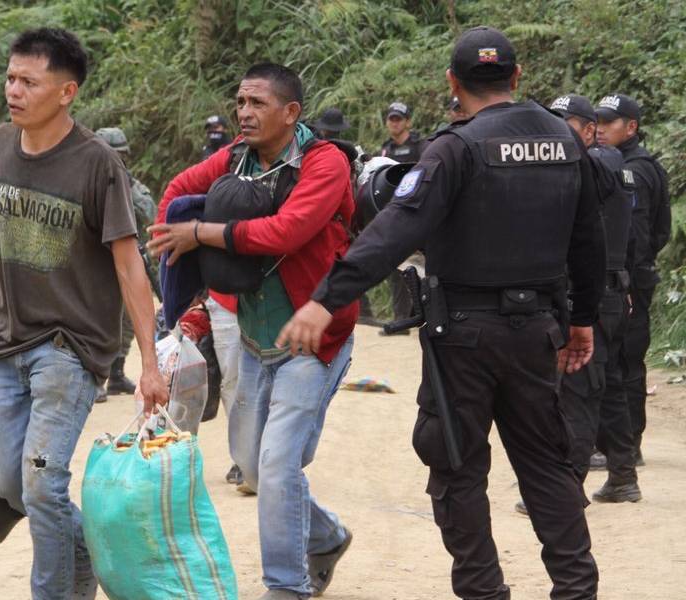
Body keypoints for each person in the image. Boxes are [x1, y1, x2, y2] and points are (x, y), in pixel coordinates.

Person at [278, 27, 606, 600]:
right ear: (517, 75)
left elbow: (391, 231)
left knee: (456, 466)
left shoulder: (455, 148)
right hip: (539, 333)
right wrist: (582, 319)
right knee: (548, 467)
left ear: (452, 83)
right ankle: (577, 590)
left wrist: (324, 300)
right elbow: (589, 240)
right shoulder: (566, 141)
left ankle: (484, 592)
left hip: (465, 339)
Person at [0, 28, 167, 600]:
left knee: (42, 482)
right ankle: (86, 546)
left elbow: (128, 264)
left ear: (66, 92)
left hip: (69, 349)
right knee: (11, 482)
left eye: (29, 81)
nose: (13, 90)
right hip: (3, 343)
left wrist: (148, 362)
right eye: (10, 77)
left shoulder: (97, 164)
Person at [149, 62, 358, 600]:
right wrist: (179, 260)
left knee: (278, 463)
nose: (244, 113)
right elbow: (177, 191)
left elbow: (287, 230)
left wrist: (199, 232)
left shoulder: (324, 163)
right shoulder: (235, 158)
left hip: (314, 339)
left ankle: (285, 587)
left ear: (291, 112)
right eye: (241, 101)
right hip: (251, 336)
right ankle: (328, 536)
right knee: (258, 469)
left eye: (257, 104)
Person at [543, 94, 641, 505]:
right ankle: (622, 475)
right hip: (609, 291)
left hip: (597, 295)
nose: (554, 135)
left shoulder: (605, 160)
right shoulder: (592, 164)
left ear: (588, 131)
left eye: (565, 125)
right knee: (609, 386)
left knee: (577, 391)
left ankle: (568, 489)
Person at [596, 93, 671, 465]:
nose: (601, 129)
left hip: (629, 283)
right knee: (619, 361)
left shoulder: (634, 170)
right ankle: (616, 444)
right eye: (598, 121)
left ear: (631, 127)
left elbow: (640, 235)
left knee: (623, 363)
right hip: (630, 279)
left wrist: (627, 278)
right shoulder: (623, 163)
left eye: (610, 122)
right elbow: (663, 232)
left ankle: (625, 447)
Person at [93, 127, 161, 401]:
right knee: (98, 321)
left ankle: (117, 374)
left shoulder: (129, 185)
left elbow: (151, 214)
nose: (117, 161)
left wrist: (128, 187)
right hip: (96, 263)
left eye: (120, 156)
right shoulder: (85, 183)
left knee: (129, 321)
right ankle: (96, 377)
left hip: (126, 258)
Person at [379, 101, 429, 328]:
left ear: (408, 121)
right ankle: (402, 319)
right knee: (396, 270)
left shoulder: (421, 146)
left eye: (399, 118)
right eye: (391, 118)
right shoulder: (385, 149)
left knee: (424, 269)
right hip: (393, 215)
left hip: (419, 212)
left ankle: (427, 316)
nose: (394, 123)